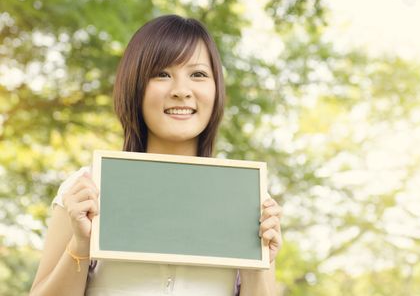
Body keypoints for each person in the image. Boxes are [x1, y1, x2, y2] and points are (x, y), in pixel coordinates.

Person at [30, 15, 283, 296]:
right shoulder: (87, 189)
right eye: (162, 74)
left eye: (198, 74)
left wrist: (259, 259)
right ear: (135, 86)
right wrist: (80, 246)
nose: (181, 91)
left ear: (217, 89)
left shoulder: (246, 198)